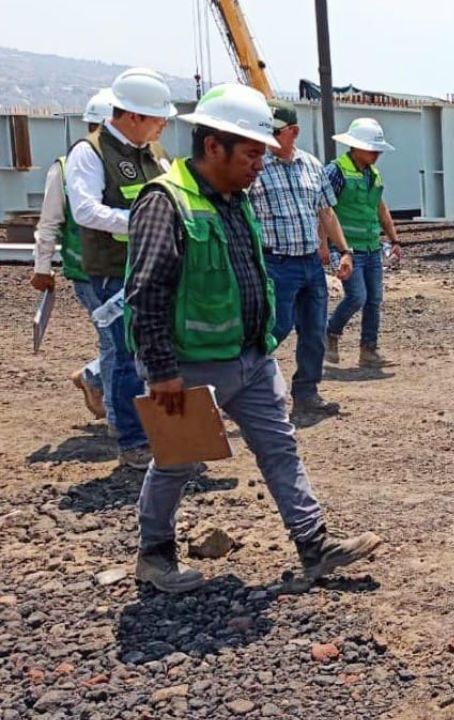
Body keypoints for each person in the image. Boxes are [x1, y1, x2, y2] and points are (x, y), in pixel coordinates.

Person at [123, 84, 382, 594]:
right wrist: (162, 372)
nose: (259, 164)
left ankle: (314, 545)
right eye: (250, 153)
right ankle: (153, 556)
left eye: (262, 152)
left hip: (250, 357)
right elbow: (147, 292)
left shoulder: (235, 200)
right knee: (177, 462)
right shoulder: (166, 202)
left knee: (280, 447)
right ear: (212, 146)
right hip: (190, 366)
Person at [65, 68, 174, 469]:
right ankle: (133, 442)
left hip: (158, 268)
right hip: (115, 274)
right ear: (132, 117)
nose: (164, 123)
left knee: (161, 352)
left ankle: (165, 434)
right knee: (127, 355)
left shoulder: (157, 154)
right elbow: (85, 210)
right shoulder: (89, 153)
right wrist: (143, 221)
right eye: (158, 117)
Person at [248, 100, 354, 418]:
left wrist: (343, 251)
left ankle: (307, 393)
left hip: (309, 263)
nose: (268, 139)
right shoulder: (255, 168)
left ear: (294, 132)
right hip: (274, 263)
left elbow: (326, 212)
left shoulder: (312, 165)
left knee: (314, 331)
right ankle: (237, 384)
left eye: (275, 132)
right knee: (275, 327)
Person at [32, 89, 115, 425]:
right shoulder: (65, 170)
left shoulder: (128, 166)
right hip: (87, 273)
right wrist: (42, 268)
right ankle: (118, 417)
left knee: (126, 340)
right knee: (114, 341)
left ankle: (92, 377)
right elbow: (49, 223)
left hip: (127, 270)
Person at [324, 118, 400, 369]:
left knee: (373, 299)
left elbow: (380, 207)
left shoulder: (373, 174)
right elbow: (323, 209)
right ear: (354, 147)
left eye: (377, 149)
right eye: (371, 149)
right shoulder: (335, 171)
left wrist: (393, 238)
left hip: (371, 246)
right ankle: (330, 333)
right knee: (357, 296)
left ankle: (369, 350)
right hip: (347, 248)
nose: (376, 154)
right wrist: (323, 246)